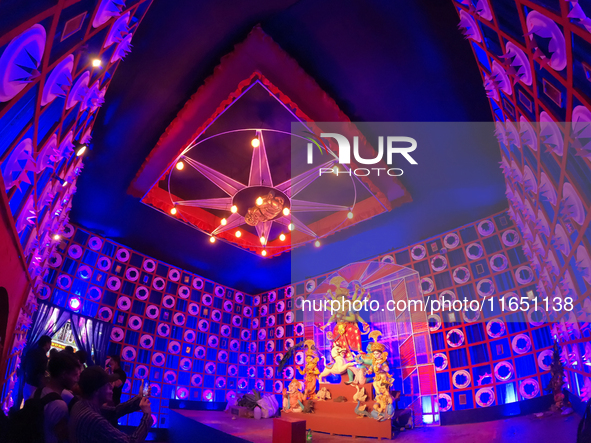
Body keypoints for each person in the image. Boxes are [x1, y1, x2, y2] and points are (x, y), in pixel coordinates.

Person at [69, 366, 153, 443]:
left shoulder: (81, 404)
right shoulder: (94, 420)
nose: (111, 387)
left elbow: (115, 411)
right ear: (96, 390)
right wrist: (147, 416)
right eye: (107, 385)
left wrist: (139, 397)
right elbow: (131, 441)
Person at [39, 352, 81, 443]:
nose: (76, 380)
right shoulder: (59, 405)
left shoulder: (38, 391)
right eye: (74, 375)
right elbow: (64, 438)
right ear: (63, 374)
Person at [23, 335, 52, 401]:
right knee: (31, 408)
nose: (49, 347)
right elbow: (41, 374)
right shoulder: (43, 356)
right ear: (46, 343)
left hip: (26, 383)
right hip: (34, 386)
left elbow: (24, 366)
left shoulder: (31, 351)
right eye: (50, 344)